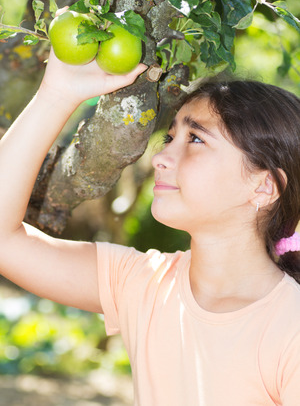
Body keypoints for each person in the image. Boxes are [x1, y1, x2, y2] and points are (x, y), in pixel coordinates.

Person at [0, 47, 300, 406]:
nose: (160, 157)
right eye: (170, 138)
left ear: (263, 186)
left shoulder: (290, 329)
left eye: (197, 139)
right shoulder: (142, 284)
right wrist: (57, 93)